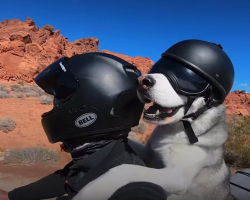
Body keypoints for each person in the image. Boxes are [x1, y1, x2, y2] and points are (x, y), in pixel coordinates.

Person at [0, 52, 167, 200]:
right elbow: (68, 177)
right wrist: (11, 196)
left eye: (60, 99)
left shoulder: (135, 187)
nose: (55, 106)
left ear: (86, 105)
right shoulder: (98, 156)